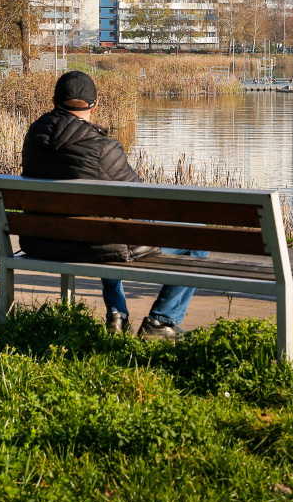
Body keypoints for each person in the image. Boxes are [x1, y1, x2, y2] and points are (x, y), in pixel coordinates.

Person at [20, 70, 206, 338]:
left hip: (42, 241)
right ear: (95, 104)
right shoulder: (103, 147)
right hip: (89, 244)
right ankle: (161, 322)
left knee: (103, 227)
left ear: (54, 101)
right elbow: (141, 201)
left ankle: (117, 314)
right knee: (197, 235)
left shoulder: (33, 139)